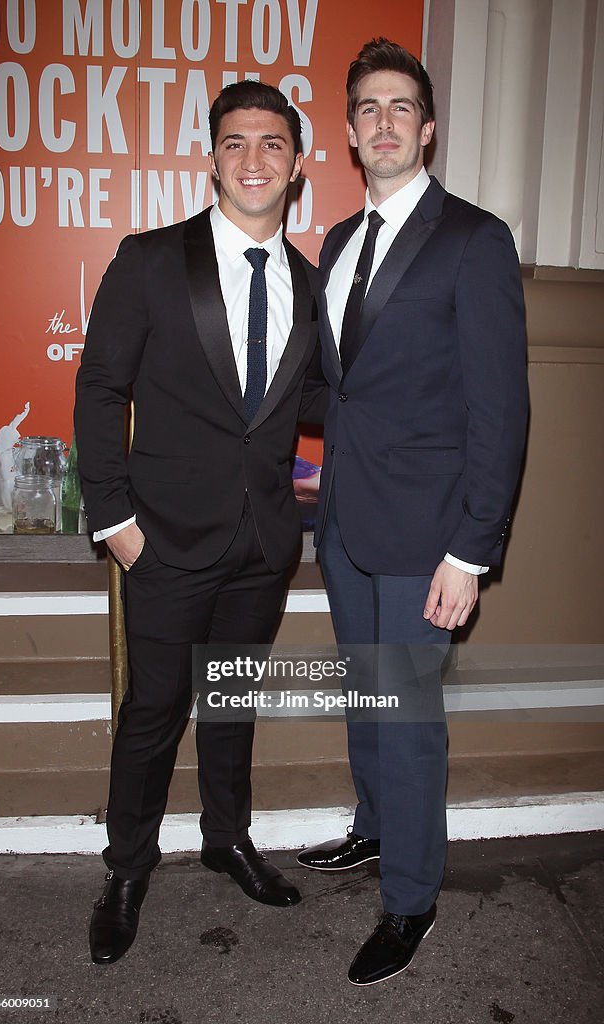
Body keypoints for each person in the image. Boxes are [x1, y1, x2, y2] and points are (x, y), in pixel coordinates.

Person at [75, 80, 326, 966]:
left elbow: (326, 402)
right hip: (163, 541)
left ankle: (227, 839)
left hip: (264, 545)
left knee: (230, 703)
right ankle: (128, 868)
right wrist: (114, 519)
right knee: (153, 712)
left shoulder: (311, 281)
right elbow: (101, 388)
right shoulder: (149, 260)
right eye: (234, 143)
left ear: (297, 166)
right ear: (211, 158)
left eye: (271, 144)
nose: (252, 159)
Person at [297, 39, 529, 986]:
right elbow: (334, 391)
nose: (384, 122)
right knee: (368, 698)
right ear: (351, 134)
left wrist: (470, 553)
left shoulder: (476, 239)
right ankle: (375, 829)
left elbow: (500, 410)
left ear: (426, 130)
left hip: (428, 534)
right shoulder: (341, 244)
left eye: (402, 107)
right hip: (347, 523)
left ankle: (413, 898)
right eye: (368, 109)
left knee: (408, 717)